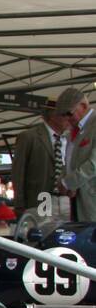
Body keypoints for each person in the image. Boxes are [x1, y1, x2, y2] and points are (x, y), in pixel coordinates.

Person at [12, 97, 70, 218]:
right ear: (54, 115)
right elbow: (18, 171)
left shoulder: (71, 138)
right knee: (44, 233)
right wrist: (19, 204)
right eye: (66, 114)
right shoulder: (29, 137)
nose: (70, 118)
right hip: (41, 199)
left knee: (68, 234)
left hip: (68, 200)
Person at [59, 86, 96, 221]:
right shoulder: (73, 132)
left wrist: (68, 183)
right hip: (76, 200)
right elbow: (69, 162)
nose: (66, 118)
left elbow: (93, 164)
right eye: (63, 115)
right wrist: (65, 179)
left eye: (69, 113)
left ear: (83, 106)